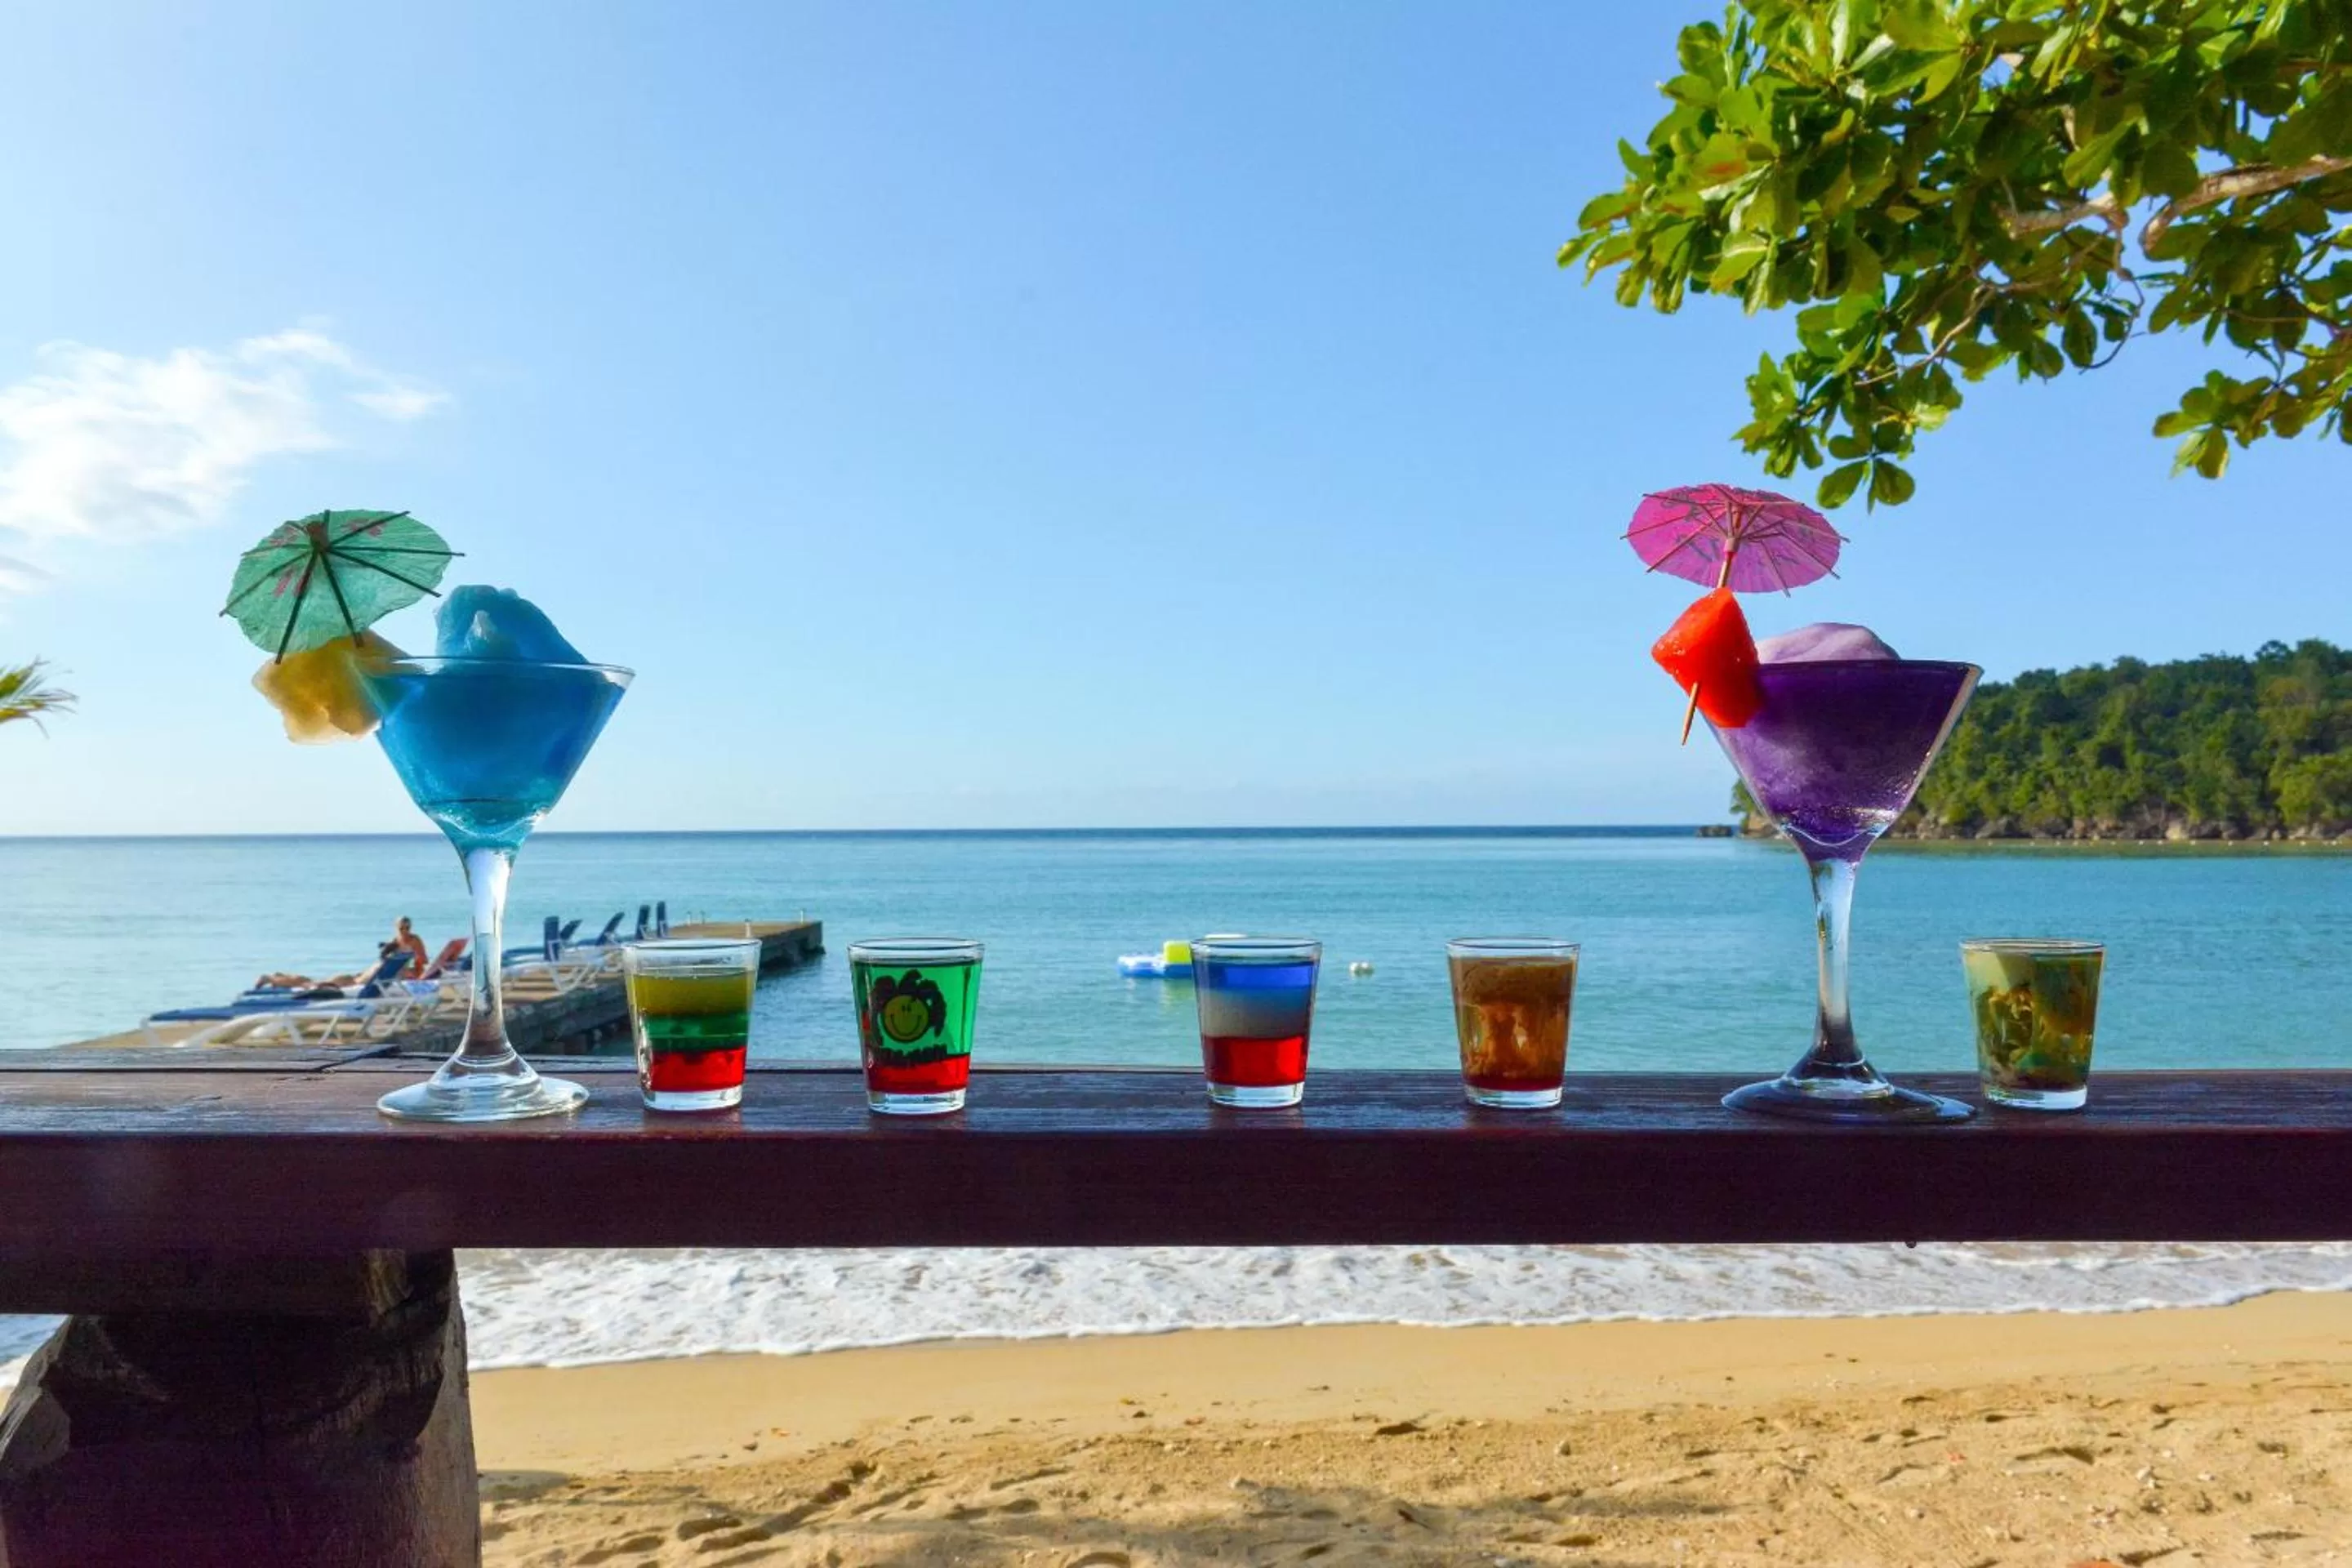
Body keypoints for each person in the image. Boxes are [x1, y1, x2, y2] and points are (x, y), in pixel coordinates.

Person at [256, 916, 431, 991]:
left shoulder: (407, 944)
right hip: (354, 982)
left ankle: (279, 977)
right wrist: (412, 973)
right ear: (396, 928)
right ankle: (272, 979)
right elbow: (416, 966)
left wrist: (413, 973)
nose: (405, 931)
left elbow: (421, 962)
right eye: (402, 928)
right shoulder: (394, 949)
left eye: (407, 927)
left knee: (314, 983)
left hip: (357, 979)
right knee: (313, 985)